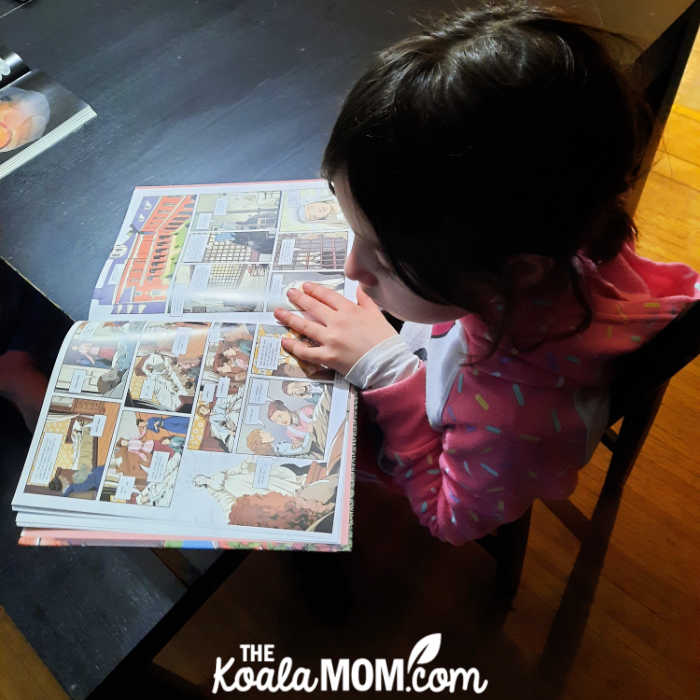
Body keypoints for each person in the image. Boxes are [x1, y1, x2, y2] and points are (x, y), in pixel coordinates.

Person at [273, 2, 700, 546]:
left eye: (386, 258)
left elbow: (451, 519)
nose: (354, 268)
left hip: (429, 415)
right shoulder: (562, 221)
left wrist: (386, 370)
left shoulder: (512, 413)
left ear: (514, 271)